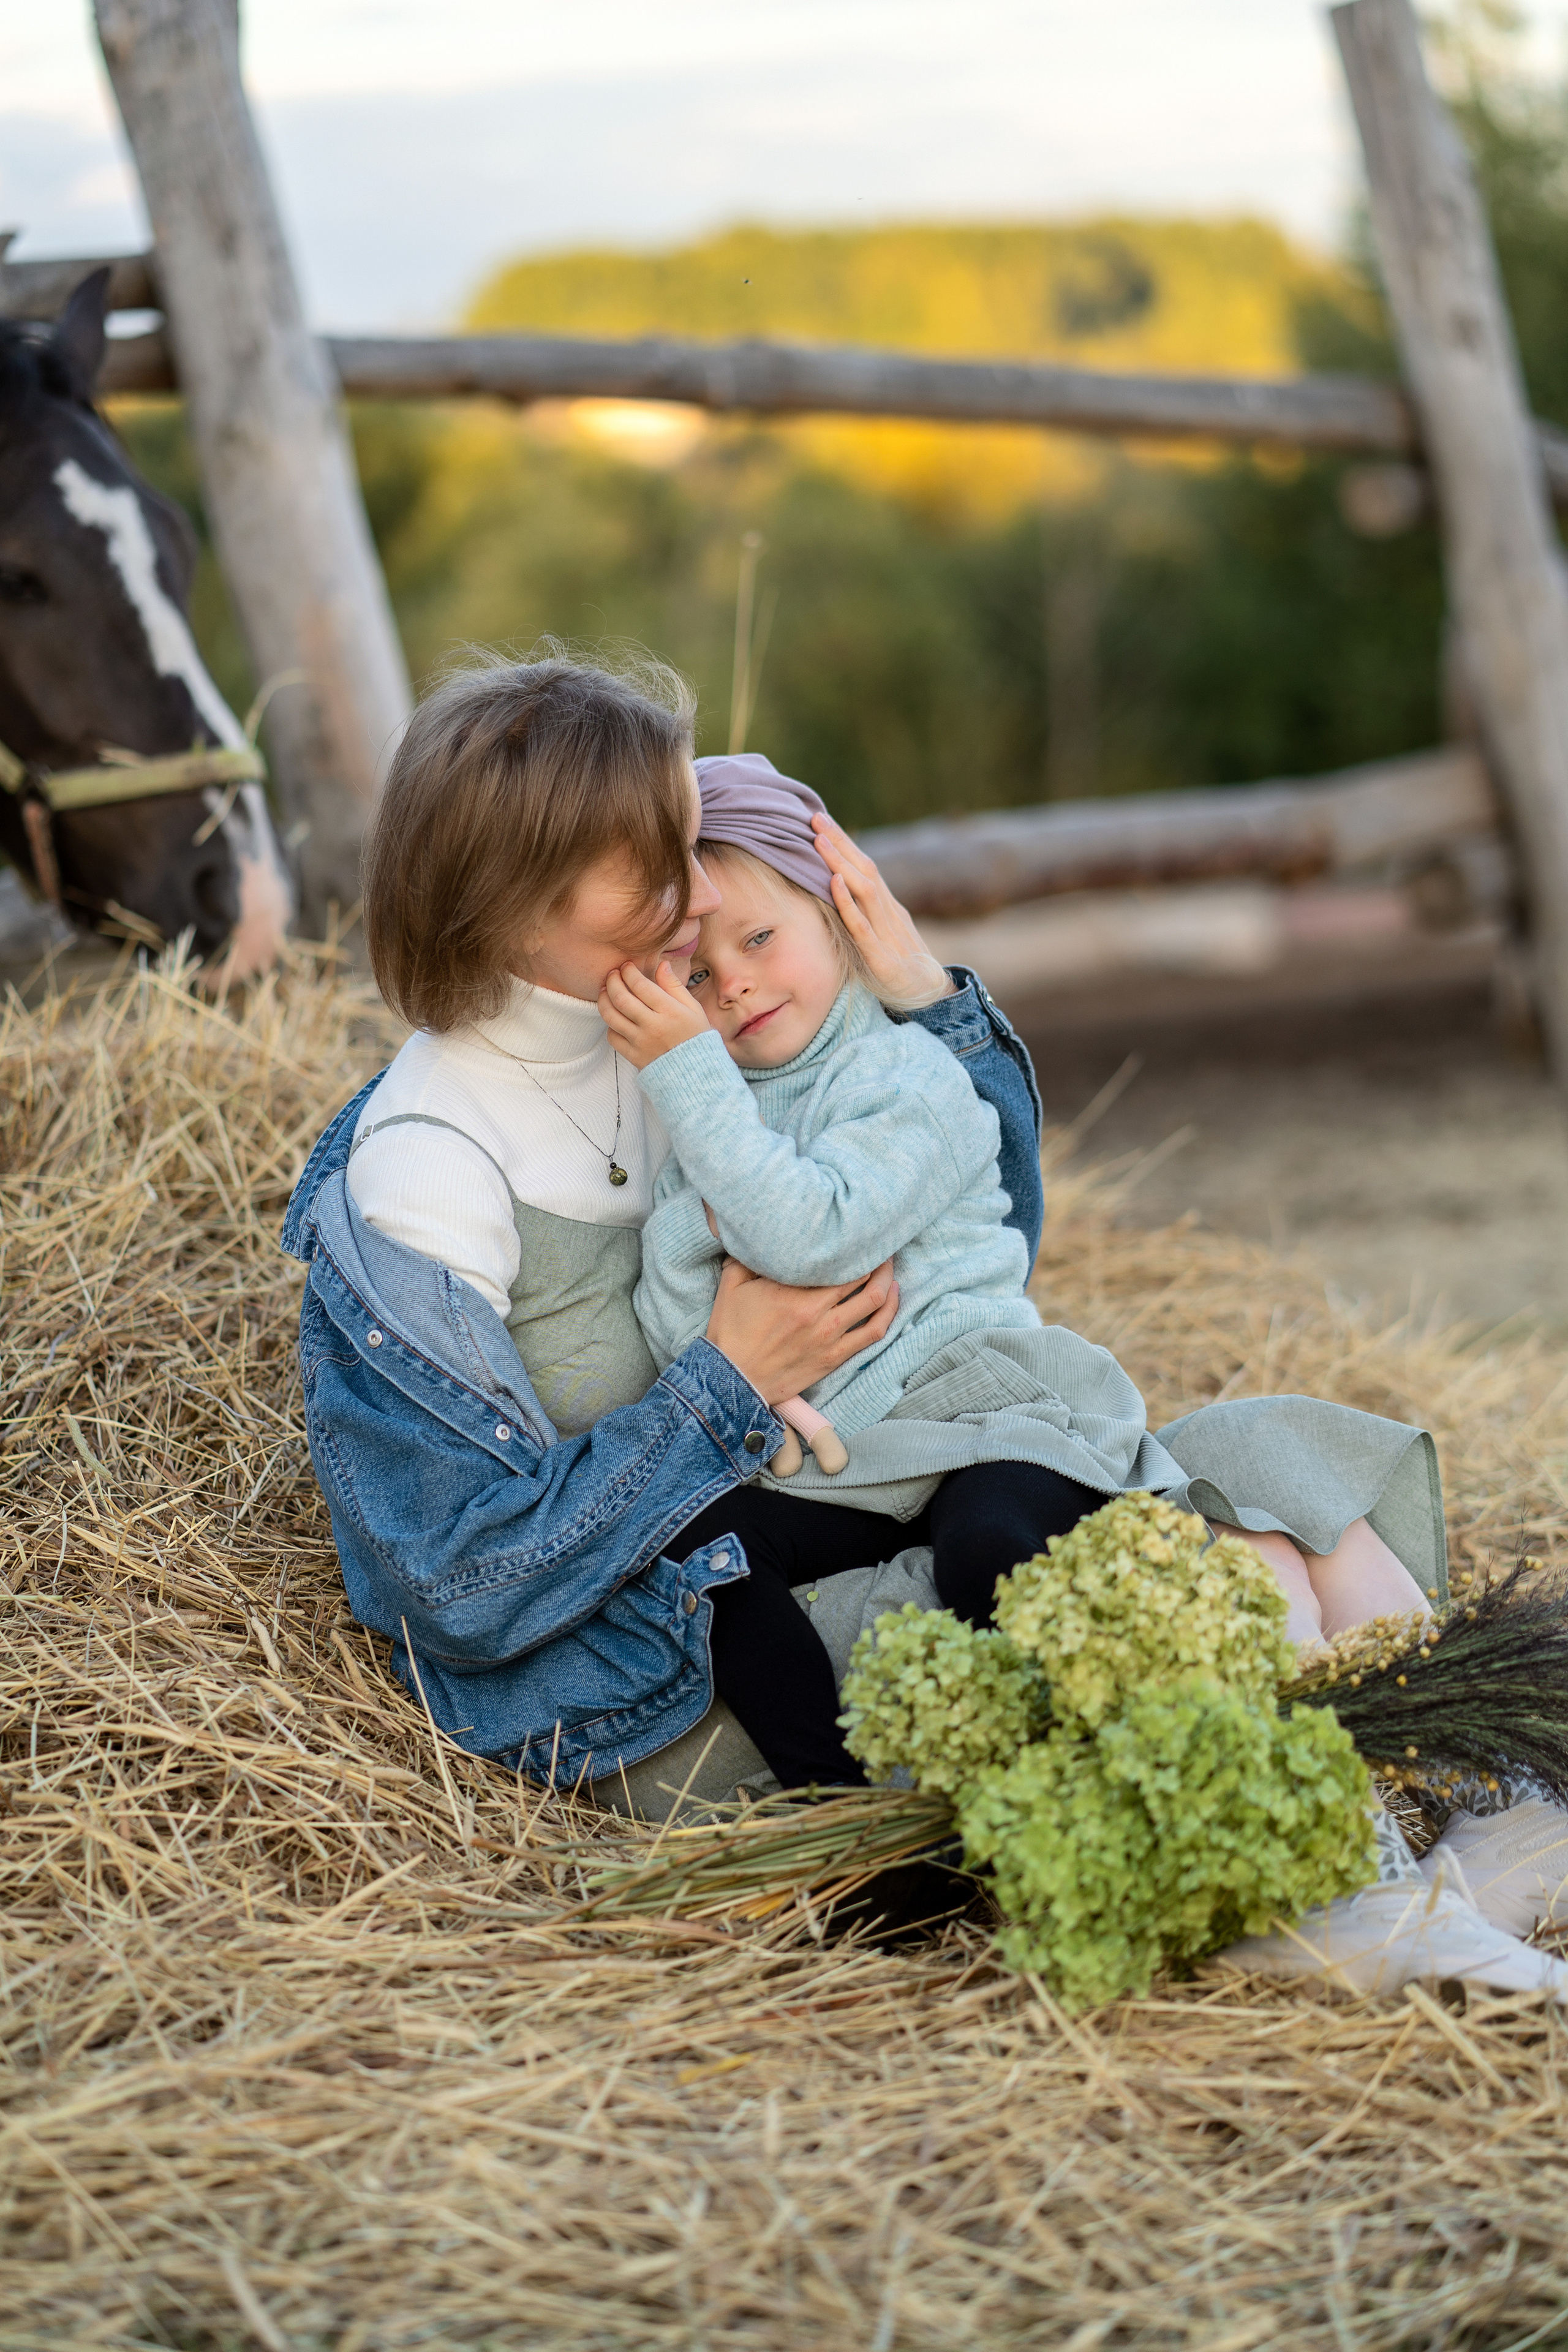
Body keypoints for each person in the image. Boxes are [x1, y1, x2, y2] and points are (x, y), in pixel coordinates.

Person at [281, 650, 1564, 1988]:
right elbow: (452, 1584)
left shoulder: (655, 1024)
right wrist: (722, 1381)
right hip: (687, 1663)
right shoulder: (425, 1163)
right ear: (516, 891)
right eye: (650, 848)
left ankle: (1446, 1837)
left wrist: (925, 1005)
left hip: (849, 1489)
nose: (695, 873)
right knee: (1165, 1554)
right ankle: (1332, 1903)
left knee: (1260, 1471)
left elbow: (966, 1237)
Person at [607, 753, 1433, 1791]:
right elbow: (674, 1308)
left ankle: (1144, 1740)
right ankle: (840, 1808)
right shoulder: (712, 1113)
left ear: (842, 919)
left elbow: (812, 1234)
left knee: (986, 1549)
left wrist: (691, 1086)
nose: (729, 983)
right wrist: (737, 1345)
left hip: (985, 1405)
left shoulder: (911, 1078)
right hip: (853, 1455)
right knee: (701, 1546)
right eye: (692, 975)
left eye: (761, 937)